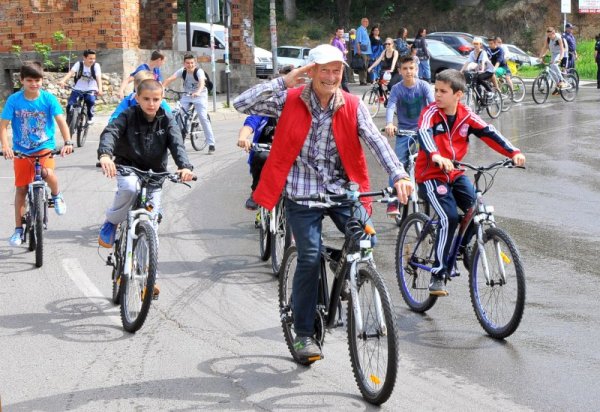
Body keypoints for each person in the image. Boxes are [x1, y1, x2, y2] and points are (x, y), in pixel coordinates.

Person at [233, 44, 413, 360]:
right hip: (301, 193)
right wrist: (286, 80)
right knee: (309, 255)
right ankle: (304, 334)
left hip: (343, 190)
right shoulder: (288, 99)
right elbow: (240, 104)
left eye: (337, 71)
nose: (331, 77)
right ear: (312, 71)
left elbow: (377, 143)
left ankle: (350, 273)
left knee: (364, 237)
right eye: (325, 70)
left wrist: (398, 174)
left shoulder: (353, 105)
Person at [416, 69, 526, 296]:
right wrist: (435, 155)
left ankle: (463, 248)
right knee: (449, 216)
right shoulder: (430, 113)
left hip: (454, 174)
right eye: (436, 90)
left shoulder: (467, 116)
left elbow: (490, 132)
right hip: (430, 176)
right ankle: (438, 273)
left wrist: (513, 152)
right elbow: (424, 133)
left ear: (458, 94)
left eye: (443, 91)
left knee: (478, 209)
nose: (437, 95)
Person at [97, 79, 194, 296]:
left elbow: (177, 144)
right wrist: (105, 155)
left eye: (156, 99)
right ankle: (112, 222)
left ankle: (148, 279)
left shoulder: (168, 120)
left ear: (162, 100)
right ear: (137, 98)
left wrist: (184, 167)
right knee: (130, 189)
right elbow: (111, 132)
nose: (151, 104)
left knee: (151, 225)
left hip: (154, 175)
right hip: (128, 167)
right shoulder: (128, 115)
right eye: (146, 99)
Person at [1, 61, 73, 246]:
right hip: (22, 150)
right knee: (22, 189)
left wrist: (68, 142)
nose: (34, 84)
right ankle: (18, 230)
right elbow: (3, 126)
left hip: (44, 146)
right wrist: (6, 147)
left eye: (38, 80)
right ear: (22, 81)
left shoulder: (48, 99)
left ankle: (56, 196)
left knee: (47, 174)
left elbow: (61, 121)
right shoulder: (14, 100)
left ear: (42, 80)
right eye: (30, 80)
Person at [384, 56, 434, 217]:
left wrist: (436, 123)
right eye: (405, 68)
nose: (408, 71)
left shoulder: (424, 86)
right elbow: (391, 105)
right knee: (397, 164)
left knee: (432, 160)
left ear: (417, 70)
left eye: (411, 68)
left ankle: (436, 192)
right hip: (404, 131)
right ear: (399, 71)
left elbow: (433, 106)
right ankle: (393, 199)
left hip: (424, 131)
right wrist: (390, 123)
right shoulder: (397, 88)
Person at [162, 53, 216, 153]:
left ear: (194, 63)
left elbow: (202, 83)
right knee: (178, 114)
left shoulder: (199, 71)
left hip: (200, 96)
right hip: (187, 95)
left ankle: (211, 143)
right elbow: (170, 79)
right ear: (184, 63)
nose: (190, 65)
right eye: (187, 63)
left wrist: (198, 92)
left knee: (203, 117)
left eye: (192, 63)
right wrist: (161, 89)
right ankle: (179, 137)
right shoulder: (182, 71)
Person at [58, 49, 103, 124]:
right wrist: (63, 81)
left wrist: (100, 89)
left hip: (91, 88)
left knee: (90, 101)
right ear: (84, 58)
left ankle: (90, 117)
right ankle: (69, 120)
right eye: (90, 58)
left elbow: (98, 78)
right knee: (70, 104)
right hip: (78, 88)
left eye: (94, 58)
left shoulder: (96, 66)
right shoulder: (79, 64)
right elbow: (70, 73)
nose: (92, 60)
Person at [367, 37, 398, 104]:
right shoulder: (384, 51)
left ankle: (392, 98)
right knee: (380, 82)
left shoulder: (395, 52)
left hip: (393, 71)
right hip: (385, 70)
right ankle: (381, 97)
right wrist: (371, 67)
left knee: (390, 85)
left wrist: (392, 69)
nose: (387, 45)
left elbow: (394, 62)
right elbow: (378, 60)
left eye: (389, 44)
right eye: (385, 44)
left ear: (392, 44)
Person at [331, 27, 350, 92]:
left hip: (343, 60)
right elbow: (335, 51)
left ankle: (342, 93)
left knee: (343, 79)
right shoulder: (335, 41)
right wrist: (343, 52)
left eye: (342, 32)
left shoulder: (341, 40)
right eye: (339, 32)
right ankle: (347, 94)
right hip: (339, 62)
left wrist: (344, 44)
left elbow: (344, 49)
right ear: (336, 32)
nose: (341, 33)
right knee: (343, 79)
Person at [354, 17, 372, 85]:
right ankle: (362, 81)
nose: (366, 22)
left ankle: (365, 80)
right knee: (362, 66)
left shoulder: (365, 30)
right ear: (361, 22)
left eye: (367, 21)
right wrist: (358, 50)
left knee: (365, 66)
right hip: (362, 51)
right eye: (364, 21)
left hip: (367, 51)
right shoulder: (360, 29)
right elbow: (358, 41)